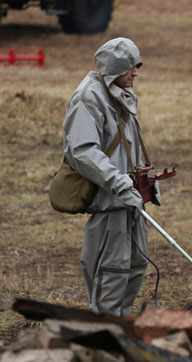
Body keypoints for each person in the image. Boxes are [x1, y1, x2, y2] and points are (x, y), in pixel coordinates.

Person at [62, 37, 152, 316]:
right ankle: (103, 336)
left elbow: (128, 146)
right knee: (110, 270)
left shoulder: (120, 93)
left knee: (135, 266)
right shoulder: (88, 97)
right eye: (130, 66)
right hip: (109, 203)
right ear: (113, 68)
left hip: (130, 202)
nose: (136, 72)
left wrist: (146, 183)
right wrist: (118, 183)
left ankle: (120, 331)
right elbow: (83, 151)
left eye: (137, 66)